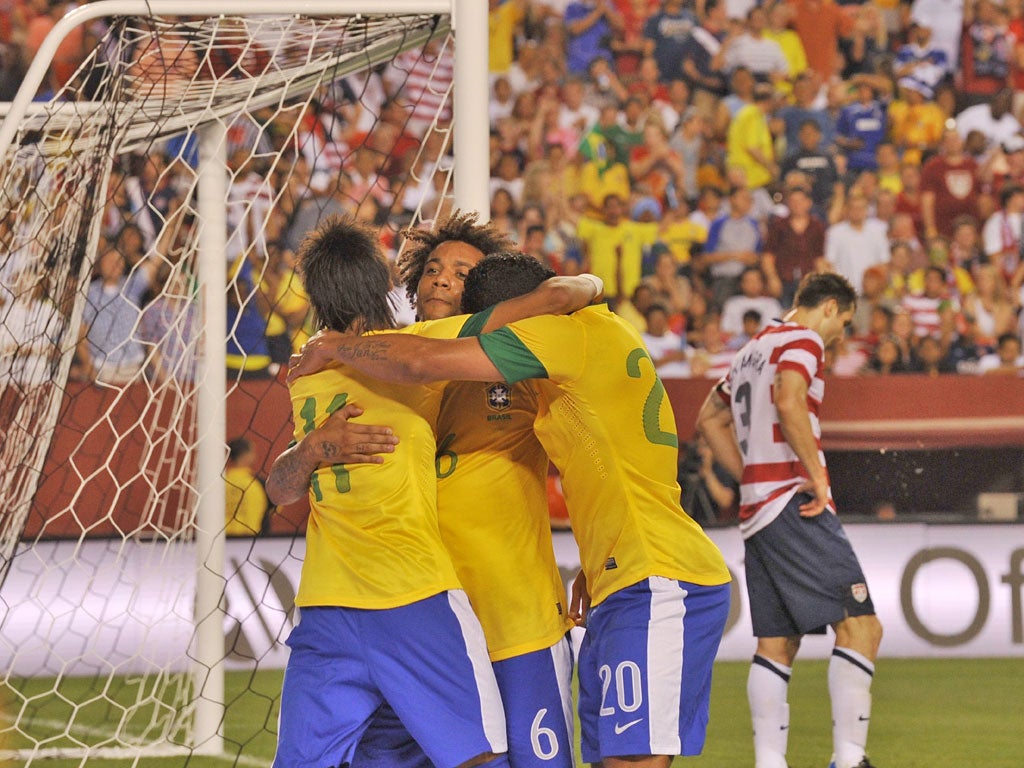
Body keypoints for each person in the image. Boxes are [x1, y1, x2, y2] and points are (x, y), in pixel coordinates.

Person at [290, 252, 732, 768]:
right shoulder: (571, 362)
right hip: (546, 592)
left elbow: (423, 358)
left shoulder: (555, 341)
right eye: (433, 269)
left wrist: (337, 345)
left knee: (629, 761)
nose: (443, 280)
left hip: (632, 580)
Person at [269, 212, 601, 768]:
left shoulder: (525, 374)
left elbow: (586, 468)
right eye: (433, 268)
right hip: (418, 624)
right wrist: (310, 450)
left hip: (515, 624)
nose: (443, 279)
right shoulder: (388, 363)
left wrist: (593, 561)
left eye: (463, 271)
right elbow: (282, 486)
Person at [696, 272, 883, 768]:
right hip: (792, 505)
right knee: (862, 626)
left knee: (777, 642)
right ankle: (849, 759)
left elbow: (708, 420)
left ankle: (770, 762)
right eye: (843, 322)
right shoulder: (803, 340)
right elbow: (789, 398)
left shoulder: (751, 349)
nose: (840, 334)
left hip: (759, 509)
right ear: (827, 308)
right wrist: (816, 475)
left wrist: (749, 476)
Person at [224, 436, 270, 537]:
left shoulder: (220, 482)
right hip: (252, 541)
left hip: (223, 540)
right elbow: (272, 510)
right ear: (246, 455)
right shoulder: (260, 483)